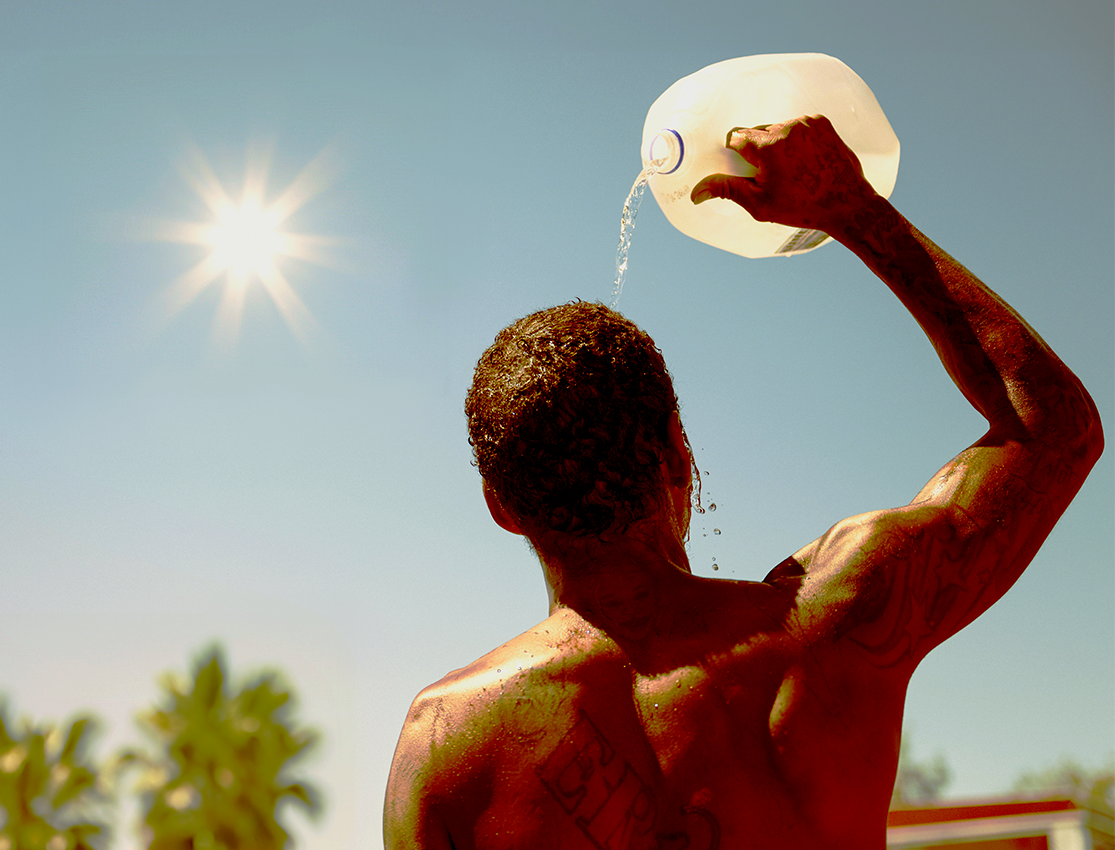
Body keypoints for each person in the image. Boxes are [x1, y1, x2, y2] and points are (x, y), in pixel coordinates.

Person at [383, 115, 1103, 849]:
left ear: (501, 507)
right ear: (675, 452)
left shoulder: (443, 749)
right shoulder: (829, 626)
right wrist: (851, 209)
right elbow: (1055, 430)